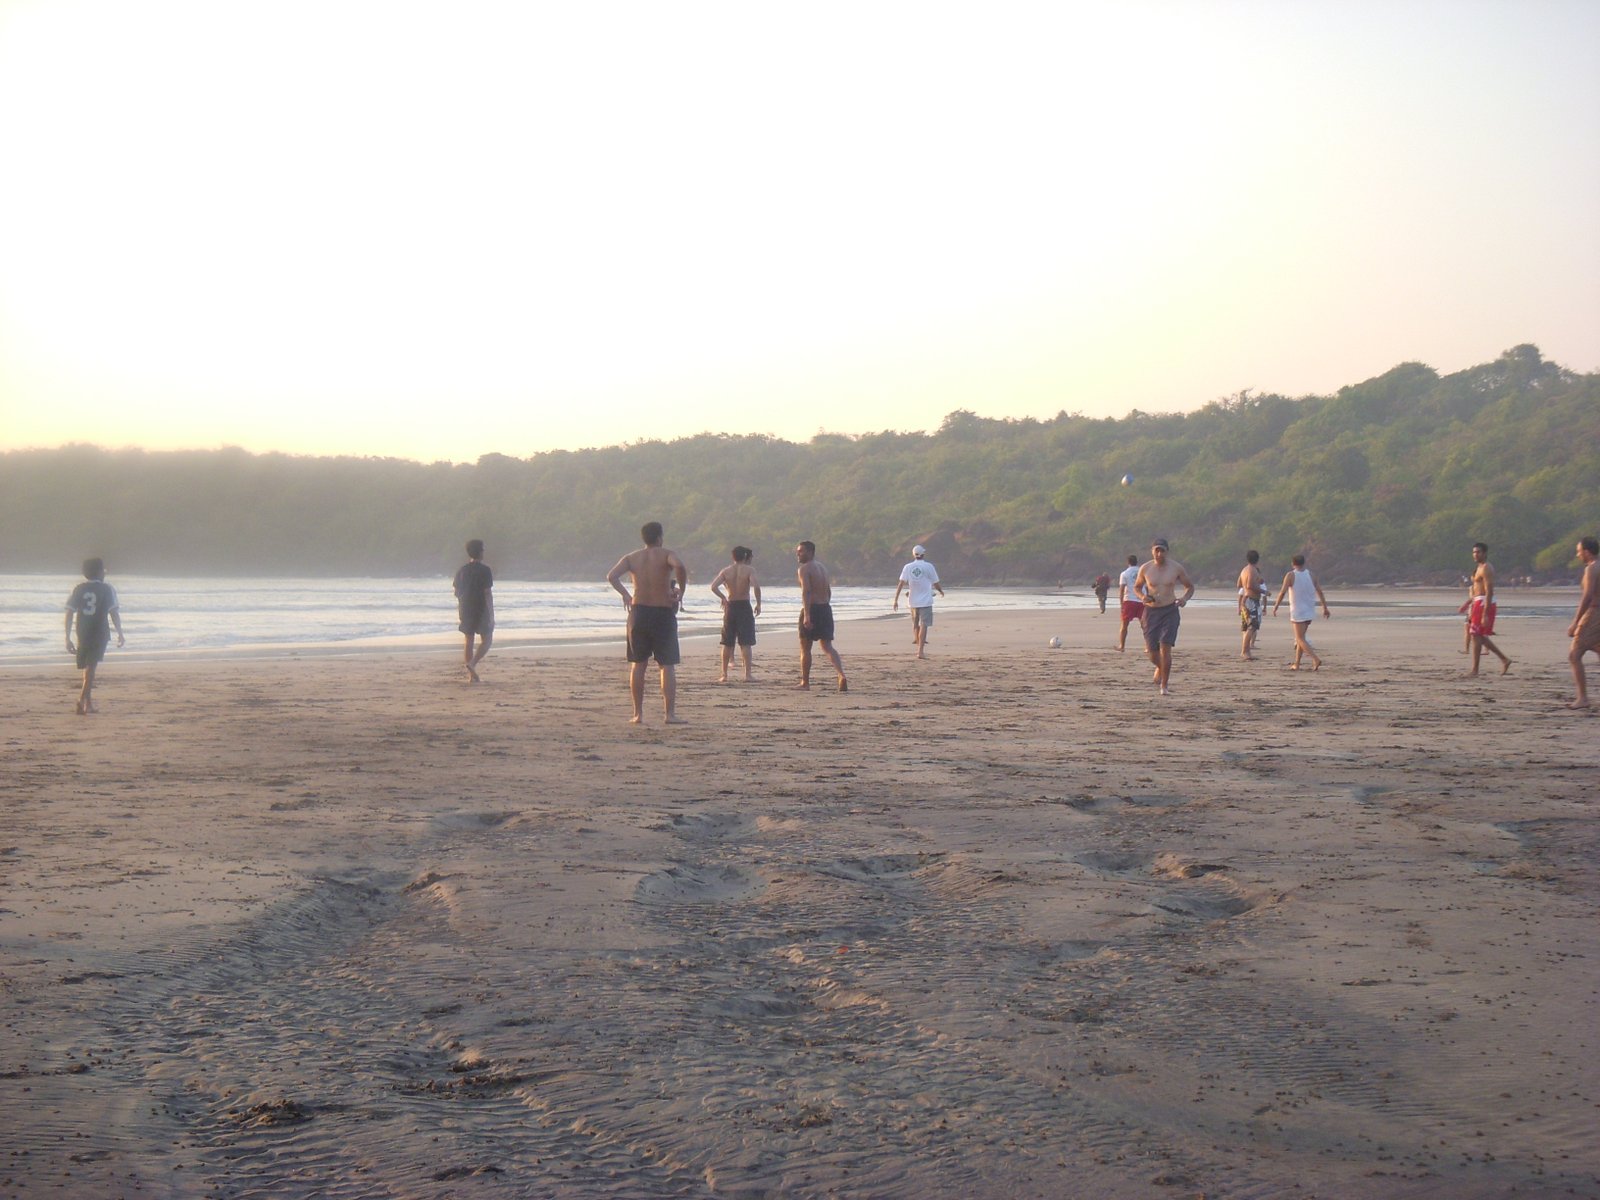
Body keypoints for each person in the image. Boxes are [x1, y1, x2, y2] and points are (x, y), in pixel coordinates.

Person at [607, 521, 689, 724]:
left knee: (638, 664)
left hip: (639, 613)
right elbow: (679, 566)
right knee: (667, 665)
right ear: (660, 537)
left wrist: (626, 594)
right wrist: (680, 592)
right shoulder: (666, 553)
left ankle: (638, 714)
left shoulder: (632, 557)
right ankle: (669, 714)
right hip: (662, 612)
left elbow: (612, 576)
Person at [1132, 538, 1194, 696]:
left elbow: (1190, 587)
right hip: (1151, 611)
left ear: (1167, 551)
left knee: (1165, 648)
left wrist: (1184, 599)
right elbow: (1137, 587)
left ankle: (1164, 685)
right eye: (1156, 550)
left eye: (1162, 550)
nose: (1159, 553)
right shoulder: (1145, 568)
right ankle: (1160, 667)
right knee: (1152, 652)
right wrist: (1142, 597)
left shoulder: (1176, 568)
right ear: (1152, 551)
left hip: (1170, 610)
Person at [64, 557, 125, 715]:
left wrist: (67, 637)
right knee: (91, 666)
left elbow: (69, 612)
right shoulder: (106, 589)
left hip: (82, 631)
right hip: (100, 632)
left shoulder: (79, 589)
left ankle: (88, 704)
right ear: (99, 572)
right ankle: (81, 699)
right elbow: (114, 613)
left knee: (88, 666)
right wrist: (120, 633)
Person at [795, 540, 847, 691]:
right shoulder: (822, 568)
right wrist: (825, 605)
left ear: (810, 552)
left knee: (805, 647)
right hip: (825, 608)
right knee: (827, 646)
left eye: (801, 551)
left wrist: (807, 615)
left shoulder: (804, 569)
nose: (798, 554)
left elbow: (806, 591)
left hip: (812, 609)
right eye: (798, 551)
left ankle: (805, 682)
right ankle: (841, 674)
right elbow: (828, 590)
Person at [1457, 542, 1511, 676]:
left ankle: (1475, 670)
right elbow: (1476, 590)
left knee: (1476, 635)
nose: (1475, 555)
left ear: (1485, 553)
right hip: (1477, 602)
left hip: (1483, 603)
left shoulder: (1486, 568)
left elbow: (1489, 591)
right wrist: (1468, 603)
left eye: (1478, 552)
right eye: (1474, 552)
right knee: (1477, 635)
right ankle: (1504, 659)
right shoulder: (1479, 567)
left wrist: (1485, 613)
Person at [710, 545, 761, 683]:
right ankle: (748, 675)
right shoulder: (749, 570)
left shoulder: (726, 571)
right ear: (745, 556)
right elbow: (756, 586)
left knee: (727, 642)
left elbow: (713, 586)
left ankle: (724, 674)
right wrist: (758, 603)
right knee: (746, 643)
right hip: (744, 606)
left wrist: (723, 598)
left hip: (731, 606)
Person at [1271, 553, 1331, 671]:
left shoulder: (1290, 575)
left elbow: (1282, 592)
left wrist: (1276, 606)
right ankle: (1297, 663)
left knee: (1299, 638)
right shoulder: (1311, 575)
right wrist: (1325, 607)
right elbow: (1320, 591)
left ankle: (1315, 659)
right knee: (1301, 637)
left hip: (1298, 611)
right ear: (1304, 563)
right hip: (1309, 610)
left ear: (1293, 564)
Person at [893, 544, 946, 660]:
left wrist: (896, 599)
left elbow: (901, 583)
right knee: (924, 625)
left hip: (912, 601)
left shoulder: (907, 567)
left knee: (915, 625)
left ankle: (918, 647)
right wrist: (941, 591)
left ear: (913, 554)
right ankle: (920, 651)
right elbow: (935, 582)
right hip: (926, 601)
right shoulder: (929, 566)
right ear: (923, 554)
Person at [452, 539, 494, 683]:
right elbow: (487, 593)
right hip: (481, 608)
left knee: (468, 639)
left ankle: (471, 676)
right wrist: (491, 615)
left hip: (465, 607)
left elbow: (456, 592)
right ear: (480, 552)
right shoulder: (485, 570)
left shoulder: (462, 570)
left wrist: (462, 604)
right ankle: (473, 663)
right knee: (487, 639)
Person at [1566, 536, 1600, 709]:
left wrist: (1575, 622)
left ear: (1587, 552)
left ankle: (1583, 698)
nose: (1578, 555)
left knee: (1575, 654)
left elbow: (1587, 597)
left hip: (1594, 613)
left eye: (1579, 551)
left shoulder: (1591, 569)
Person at [1237, 549, 1265, 660]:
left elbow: (1239, 584)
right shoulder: (1253, 570)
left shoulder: (1244, 570)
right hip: (1251, 600)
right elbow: (1249, 585)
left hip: (1246, 599)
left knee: (1247, 626)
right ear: (1257, 559)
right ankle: (1245, 651)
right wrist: (1263, 591)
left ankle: (1246, 651)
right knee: (1252, 626)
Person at [1115, 554, 1143, 652]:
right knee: (1145, 625)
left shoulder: (1124, 573)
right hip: (1142, 599)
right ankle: (1148, 646)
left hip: (1129, 600)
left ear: (1128, 562)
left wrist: (1121, 603)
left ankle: (1122, 646)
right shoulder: (1142, 571)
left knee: (1124, 625)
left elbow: (1122, 589)